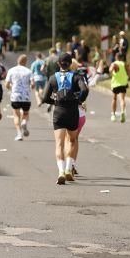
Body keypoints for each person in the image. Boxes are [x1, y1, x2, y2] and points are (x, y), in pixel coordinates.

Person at [43, 53, 89, 184]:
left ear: (58, 64)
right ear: (70, 63)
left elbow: (45, 98)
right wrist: (79, 100)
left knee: (59, 143)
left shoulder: (53, 78)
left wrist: (55, 102)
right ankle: (69, 169)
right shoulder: (76, 76)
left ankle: (61, 171)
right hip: (72, 112)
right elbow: (85, 90)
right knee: (72, 141)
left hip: (59, 112)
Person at [5, 54, 33, 141]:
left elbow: (7, 84)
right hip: (26, 97)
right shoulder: (29, 71)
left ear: (18, 61)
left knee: (16, 115)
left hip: (15, 96)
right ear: (25, 62)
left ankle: (19, 134)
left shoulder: (11, 70)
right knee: (25, 114)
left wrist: (11, 88)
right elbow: (33, 84)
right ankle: (24, 122)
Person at [109, 52, 129, 123]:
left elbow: (110, 70)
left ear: (116, 57)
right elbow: (128, 72)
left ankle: (113, 115)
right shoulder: (124, 64)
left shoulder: (114, 64)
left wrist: (112, 72)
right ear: (122, 58)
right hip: (123, 83)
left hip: (115, 83)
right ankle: (122, 111)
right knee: (122, 99)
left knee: (114, 99)